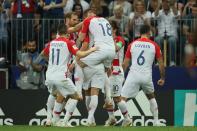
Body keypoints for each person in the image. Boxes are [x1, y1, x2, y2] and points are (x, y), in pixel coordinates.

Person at [35, 23, 98, 126]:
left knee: (53, 94)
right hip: (61, 77)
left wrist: (50, 62)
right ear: (67, 33)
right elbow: (80, 54)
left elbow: (42, 54)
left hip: (49, 76)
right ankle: (61, 121)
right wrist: (92, 49)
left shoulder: (51, 43)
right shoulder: (68, 42)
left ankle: (49, 119)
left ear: (58, 33)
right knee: (76, 96)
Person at [121, 25, 165, 126]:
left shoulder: (132, 44)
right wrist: (162, 78)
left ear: (140, 33)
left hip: (133, 76)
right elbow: (161, 64)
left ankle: (126, 118)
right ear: (149, 32)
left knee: (122, 99)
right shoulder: (154, 45)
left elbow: (125, 63)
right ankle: (156, 121)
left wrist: (121, 76)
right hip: (146, 76)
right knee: (151, 97)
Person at [104, 20, 126, 126]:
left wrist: (110, 39)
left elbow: (116, 48)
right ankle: (112, 118)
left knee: (117, 97)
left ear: (114, 29)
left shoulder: (120, 39)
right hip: (108, 73)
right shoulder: (105, 41)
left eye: (109, 27)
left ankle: (127, 118)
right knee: (108, 97)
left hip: (116, 72)